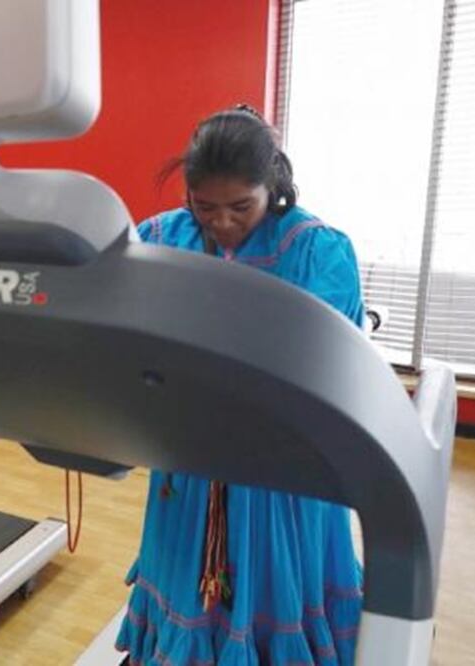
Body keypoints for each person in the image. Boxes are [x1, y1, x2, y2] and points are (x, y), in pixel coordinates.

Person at [116, 106, 364, 665]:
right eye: (206, 207)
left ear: (271, 187)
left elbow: (322, 365)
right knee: (188, 580)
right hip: (190, 461)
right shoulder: (160, 239)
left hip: (280, 471)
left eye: (240, 207)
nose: (222, 223)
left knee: (277, 584)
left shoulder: (316, 251)